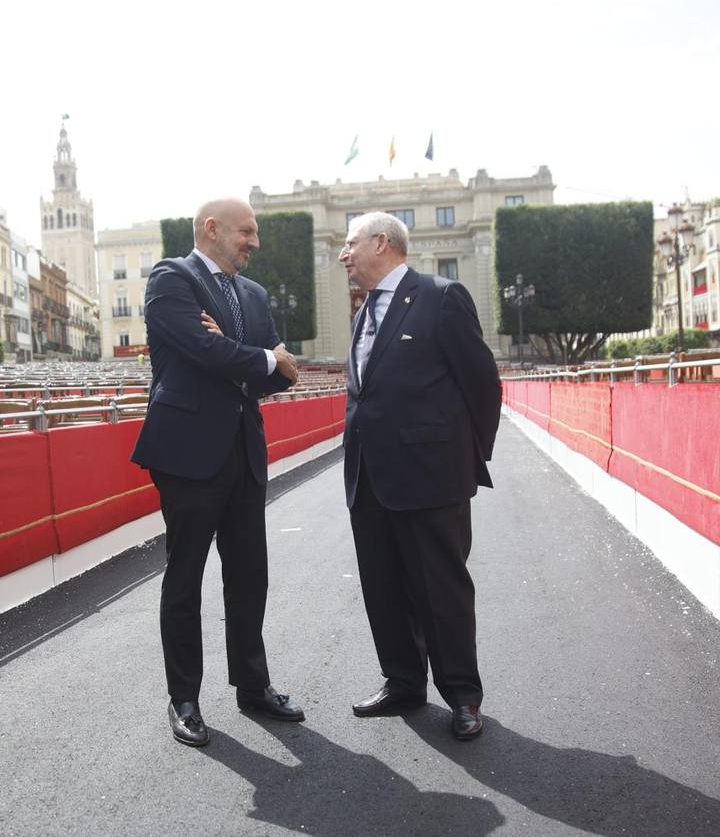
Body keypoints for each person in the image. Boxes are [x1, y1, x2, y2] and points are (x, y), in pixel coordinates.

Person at [131, 197, 304, 748]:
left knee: (249, 574)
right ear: (212, 229)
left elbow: (280, 376)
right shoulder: (170, 279)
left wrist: (251, 357)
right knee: (185, 578)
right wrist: (258, 355)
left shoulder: (252, 293)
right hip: (187, 454)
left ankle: (253, 686)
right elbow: (205, 351)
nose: (254, 242)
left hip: (244, 451)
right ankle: (184, 699)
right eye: (246, 232)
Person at [338, 211, 501, 741]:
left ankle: (462, 695)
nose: (343, 254)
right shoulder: (363, 312)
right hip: (368, 479)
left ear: (381, 243)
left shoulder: (441, 296)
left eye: (351, 243)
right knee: (382, 588)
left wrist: (464, 457)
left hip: (432, 477)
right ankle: (403, 682)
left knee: (441, 591)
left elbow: (482, 383)